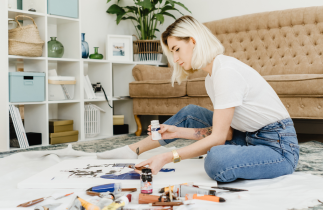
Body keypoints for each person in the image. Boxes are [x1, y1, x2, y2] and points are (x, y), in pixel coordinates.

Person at [97, 16, 299, 183]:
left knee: (216, 161)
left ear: (193, 41)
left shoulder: (226, 72)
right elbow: (227, 134)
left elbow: (219, 138)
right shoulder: (211, 77)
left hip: (278, 148)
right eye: (171, 52)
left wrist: (169, 156)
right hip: (245, 136)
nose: (175, 59)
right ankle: (134, 150)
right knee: (191, 113)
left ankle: (260, 161)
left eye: (176, 49)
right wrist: (178, 131)